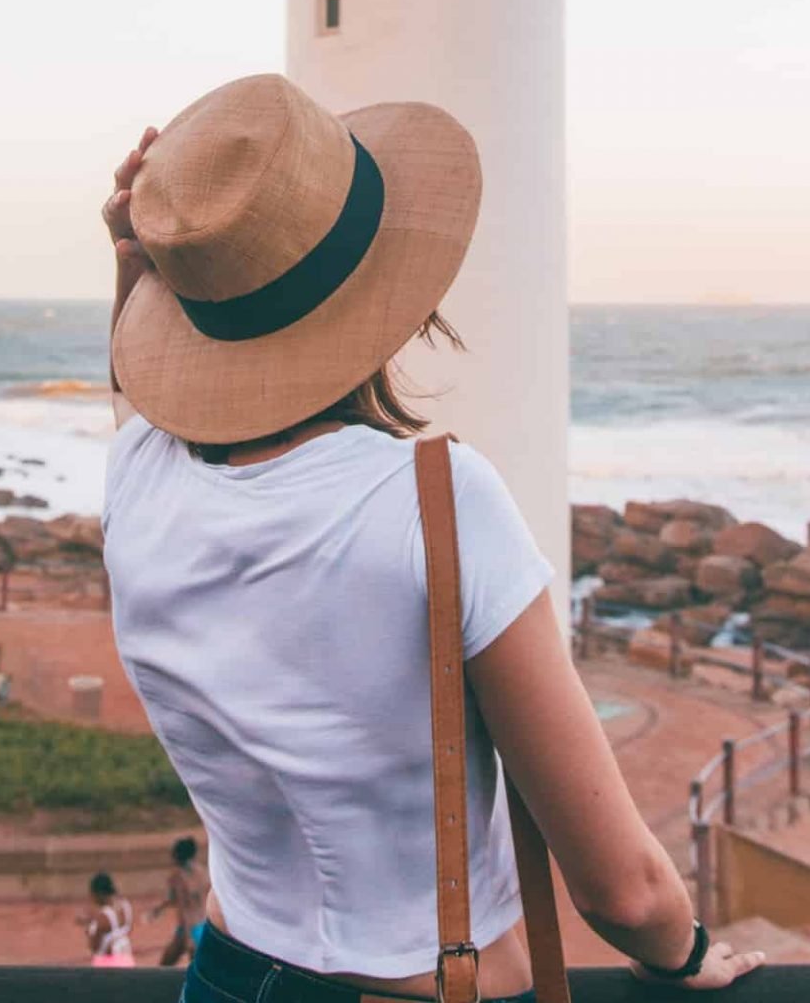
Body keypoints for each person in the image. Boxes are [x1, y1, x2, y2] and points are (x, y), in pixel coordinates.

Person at [101, 75, 765, 1000]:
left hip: (225, 974)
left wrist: (145, 267)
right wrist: (687, 951)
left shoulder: (134, 479)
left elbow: (145, 407)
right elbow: (620, 887)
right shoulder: (435, 501)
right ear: (391, 293)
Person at [154, 835, 208, 967]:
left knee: (164, 966)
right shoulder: (202, 871)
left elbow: (184, 908)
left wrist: (189, 937)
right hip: (204, 925)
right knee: (198, 970)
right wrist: (161, 907)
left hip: (188, 928)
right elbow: (187, 899)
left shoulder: (177, 877)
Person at [83, 871, 135, 967]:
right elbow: (126, 929)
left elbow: (94, 947)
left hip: (107, 968)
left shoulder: (103, 917)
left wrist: (90, 928)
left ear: (99, 894)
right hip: (128, 962)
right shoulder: (126, 907)